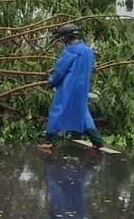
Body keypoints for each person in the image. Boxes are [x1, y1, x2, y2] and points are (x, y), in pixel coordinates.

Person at [37, 23, 106, 153]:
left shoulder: (69, 52)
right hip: (82, 89)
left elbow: (59, 72)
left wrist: (51, 81)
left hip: (68, 88)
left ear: (65, 37)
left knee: (57, 111)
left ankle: (51, 142)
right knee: (82, 113)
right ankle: (98, 141)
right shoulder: (88, 51)